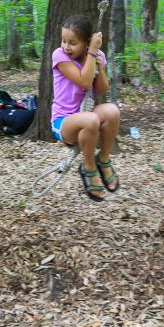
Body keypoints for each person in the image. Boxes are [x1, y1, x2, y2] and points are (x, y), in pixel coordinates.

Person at [52, 14, 122, 201]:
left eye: (73, 43)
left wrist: (101, 67)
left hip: (86, 118)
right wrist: (91, 53)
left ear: (86, 42)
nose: (66, 46)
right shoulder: (59, 56)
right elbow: (84, 82)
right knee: (91, 119)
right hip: (63, 121)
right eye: (64, 40)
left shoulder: (96, 56)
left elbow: (100, 89)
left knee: (112, 111)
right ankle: (88, 167)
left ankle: (104, 159)